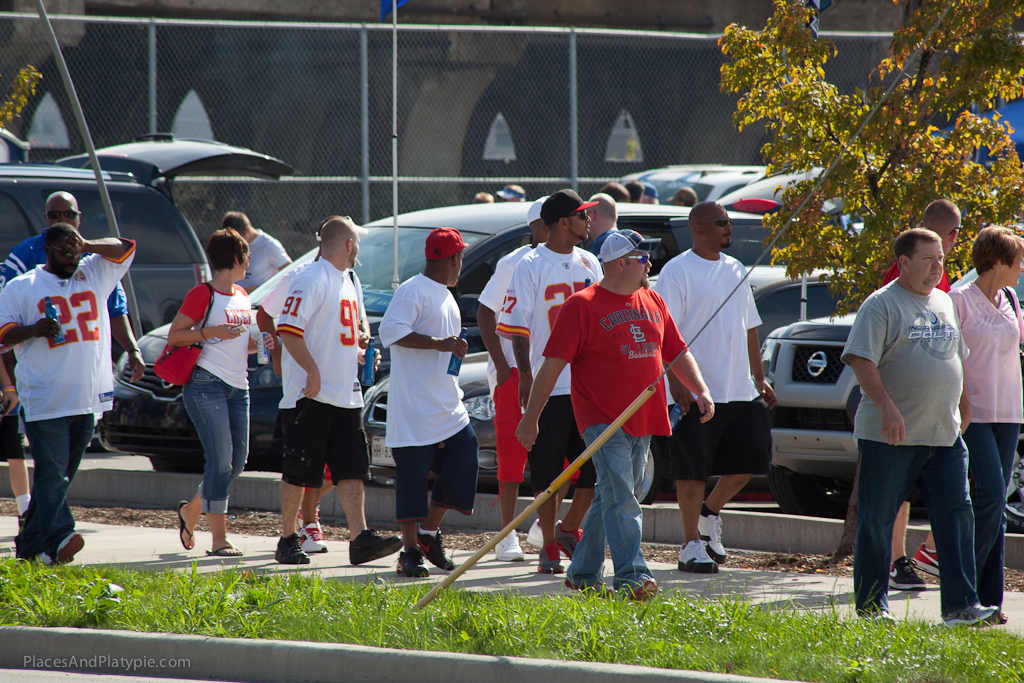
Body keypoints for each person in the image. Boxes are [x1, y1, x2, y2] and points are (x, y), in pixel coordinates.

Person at [517, 229, 714, 599]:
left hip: (645, 415)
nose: (649, 263)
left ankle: (582, 572)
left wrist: (700, 389)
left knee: (614, 494)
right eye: (642, 258)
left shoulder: (653, 299)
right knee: (623, 495)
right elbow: (551, 365)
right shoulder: (582, 305)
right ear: (620, 263)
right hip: (601, 419)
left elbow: (677, 350)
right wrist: (531, 417)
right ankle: (632, 574)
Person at [842, 227, 994, 626]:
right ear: (904, 262)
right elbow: (860, 360)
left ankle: (962, 606)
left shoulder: (944, 301)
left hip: (944, 435)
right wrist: (887, 408)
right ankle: (872, 608)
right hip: (891, 436)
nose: (937, 266)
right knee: (876, 520)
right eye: (928, 259)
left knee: (957, 516)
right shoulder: (881, 305)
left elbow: (954, 357)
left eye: (941, 258)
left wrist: (964, 404)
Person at [0, 191, 146, 523]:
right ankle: (60, 535)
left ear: (79, 218)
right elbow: (6, 326)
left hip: (85, 393)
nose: (62, 220)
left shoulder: (93, 267)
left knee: (59, 476)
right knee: (52, 473)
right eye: (54, 215)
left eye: (69, 214)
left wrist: (133, 349)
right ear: (45, 222)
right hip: (45, 389)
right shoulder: (25, 264)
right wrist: (10, 385)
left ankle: (34, 539)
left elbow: (115, 303)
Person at [653, 201, 776, 574]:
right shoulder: (676, 272)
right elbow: (663, 334)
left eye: (729, 222)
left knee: (754, 459)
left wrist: (758, 377)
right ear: (698, 228)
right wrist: (676, 382)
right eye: (721, 222)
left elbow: (750, 326)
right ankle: (690, 544)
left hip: (740, 388)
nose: (728, 228)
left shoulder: (737, 268)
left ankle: (710, 514)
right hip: (696, 390)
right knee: (691, 471)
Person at [273, 217, 402, 566]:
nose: (358, 249)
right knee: (299, 470)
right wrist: (312, 371)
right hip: (310, 394)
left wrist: (361, 347)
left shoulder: (349, 280)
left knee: (352, 469)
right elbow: (287, 329)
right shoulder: (311, 277)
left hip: (346, 393)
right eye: (356, 243)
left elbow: (350, 326)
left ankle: (360, 538)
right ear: (347, 244)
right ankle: (287, 538)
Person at [496, 189, 604, 573]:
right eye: (582, 215)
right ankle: (549, 548)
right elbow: (517, 327)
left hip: (587, 385)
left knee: (596, 466)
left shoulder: (590, 261)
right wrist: (525, 375)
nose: (589, 221)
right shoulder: (530, 264)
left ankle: (568, 528)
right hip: (549, 383)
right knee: (547, 472)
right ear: (562, 222)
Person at [378, 227, 480, 577]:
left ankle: (427, 533)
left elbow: (441, 343)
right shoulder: (412, 290)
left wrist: (452, 348)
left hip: (446, 401)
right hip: (413, 406)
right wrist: (438, 343)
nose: (461, 263)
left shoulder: (446, 294)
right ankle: (410, 553)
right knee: (412, 478)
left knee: (465, 458)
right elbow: (389, 332)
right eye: (460, 257)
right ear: (452, 259)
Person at [881, 199, 961, 589]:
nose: (936, 264)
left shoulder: (940, 284)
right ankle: (896, 560)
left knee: (943, 489)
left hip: (937, 413)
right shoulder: (899, 281)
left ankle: (927, 552)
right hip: (901, 409)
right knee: (899, 490)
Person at [949, 226, 1024, 625]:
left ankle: (990, 603)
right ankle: (965, 593)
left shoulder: (1011, 297)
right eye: (1018, 260)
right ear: (997, 261)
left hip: (1010, 412)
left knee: (993, 510)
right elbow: (949, 358)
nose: (1021, 268)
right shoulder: (958, 299)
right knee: (992, 497)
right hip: (972, 413)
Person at [172, 228, 257, 557]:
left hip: (239, 386)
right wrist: (210, 331)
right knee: (220, 461)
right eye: (247, 257)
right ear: (236, 258)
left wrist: (265, 343)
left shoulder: (243, 295)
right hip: (206, 384)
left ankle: (192, 510)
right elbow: (176, 336)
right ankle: (219, 539)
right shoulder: (201, 294)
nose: (249, 262)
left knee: (236, 462)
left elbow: (241, 342)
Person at [477, 197, 548, 562]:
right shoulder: (514, 262)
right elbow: (485, 312)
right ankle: (507, 534)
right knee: (512, 457)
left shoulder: (578, 261)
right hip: (516, 373)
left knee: (561, 457)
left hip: (557, 373)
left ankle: (544, 526)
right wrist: (503, 367)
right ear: (535, 227)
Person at [222, 211, 292, 292]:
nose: (236, 243)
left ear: (248, 230)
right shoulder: (231, 244)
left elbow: (290, 272)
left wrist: (261, 289)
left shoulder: (269, 245)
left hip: (259, 302)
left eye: (239, 239)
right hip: (235, 297)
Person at [584, 193, 618, 257]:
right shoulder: (631, 241)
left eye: (586, 215)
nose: (585, 220)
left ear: (592, 215)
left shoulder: (602, 245)